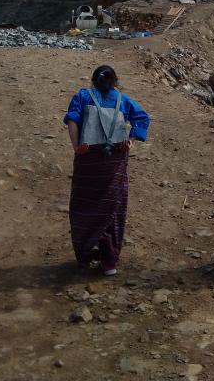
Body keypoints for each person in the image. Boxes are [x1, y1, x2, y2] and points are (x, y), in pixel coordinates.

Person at [64, 65, 150, 276]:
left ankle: (86, 251)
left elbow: (72, 120)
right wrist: (131, 141)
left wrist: (77, 147)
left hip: (88, 160)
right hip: (114, 162)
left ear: (93, 81)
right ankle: (109, 262)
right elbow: (142, 118)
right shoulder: (123, 99)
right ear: (115, 81)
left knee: (84, 205)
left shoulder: (82, 96)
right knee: (112, 207)